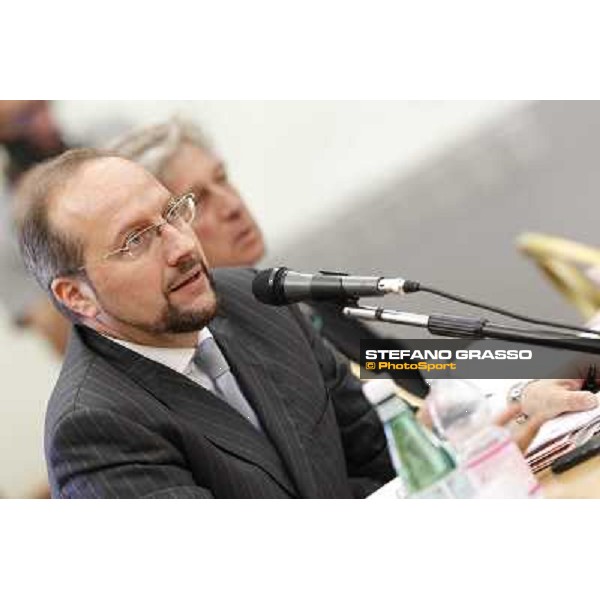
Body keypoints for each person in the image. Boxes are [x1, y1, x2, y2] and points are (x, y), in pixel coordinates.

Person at [107, 118, 599, 425]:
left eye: (224, 180)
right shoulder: (222, 355)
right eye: (197, 202)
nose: (233, 206)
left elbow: (421, 380)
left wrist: (526, 388)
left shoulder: (301, 291)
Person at [18, 148, 396, 499]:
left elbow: (378, 447)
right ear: (76, 296)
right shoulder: (93, 431)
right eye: (135, 240)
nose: (181, 246)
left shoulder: (261, 297)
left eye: (174, 211)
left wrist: (452, 370)